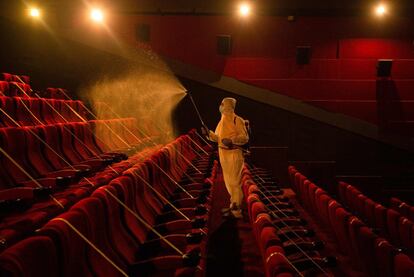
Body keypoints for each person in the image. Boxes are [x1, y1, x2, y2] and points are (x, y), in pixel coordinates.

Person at [202, 97, 249, 219]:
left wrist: (232, 140)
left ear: (228, 106)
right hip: (223, 154)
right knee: (229, 182)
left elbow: (244, 138)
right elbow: (218, 138)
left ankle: (237, 210)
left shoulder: (237, 120)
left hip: (234, 154)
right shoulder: (222, 120)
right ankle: (233, 205)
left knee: (234, 182)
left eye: (222, 104)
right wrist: (209, 134)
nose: (220, 106)